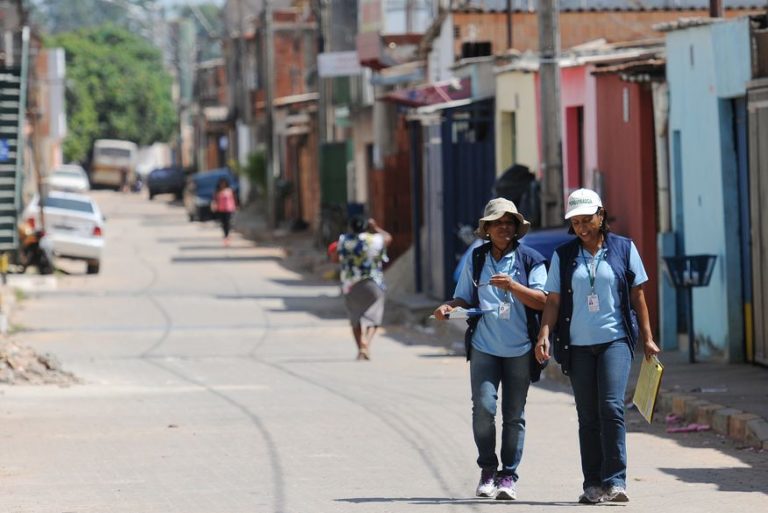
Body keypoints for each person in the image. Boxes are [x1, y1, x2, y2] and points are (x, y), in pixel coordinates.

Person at [534, 188, 660, 504]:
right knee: (587, 415)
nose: (582, 227)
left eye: (587, 219)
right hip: (577, 347)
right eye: (576, 223)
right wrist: (544, 334)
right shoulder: (563, 256)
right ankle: (593, 483)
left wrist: (647, 338)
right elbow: (553, 302)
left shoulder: (624, 249)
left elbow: (638, 297)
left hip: (615, 341)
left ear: (601, 215)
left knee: (612, 408)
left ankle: (616, 481)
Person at [433, 198, 547, 501]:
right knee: (483, 409)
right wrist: (448, 307)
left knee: (514, 415)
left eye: (509, 222)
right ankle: (487, 469)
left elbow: (543, 300)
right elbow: (464, 299)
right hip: (484, 346)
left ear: (517, 228)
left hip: (521, 348)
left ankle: (508, 475)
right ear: (487, 229)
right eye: (498, 223)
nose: (504, 227)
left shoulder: (531, 259)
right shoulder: (478, 258)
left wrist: (513, 287)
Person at [336, 216, 392, 360]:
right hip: (373, 284)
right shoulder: (375, 239)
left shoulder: (343, 240)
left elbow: (337, 256)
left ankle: (360, 346)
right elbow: (388, 238)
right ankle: (366, 340)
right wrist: (376, 227)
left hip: (350, 285)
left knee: (355, 318)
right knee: (374, 317)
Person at [211, 177, 237, 245]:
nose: (222, 185)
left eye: (224, 183)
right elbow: (215, 200)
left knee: (228, 223)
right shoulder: (217, 191)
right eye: (221, 183)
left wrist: (234, 207)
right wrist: (214, 206)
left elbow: (233, 199)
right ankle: (225, 235)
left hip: (229, 209)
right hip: (221, 209)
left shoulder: (229, 190)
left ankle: (227, 236)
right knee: (223, 223)